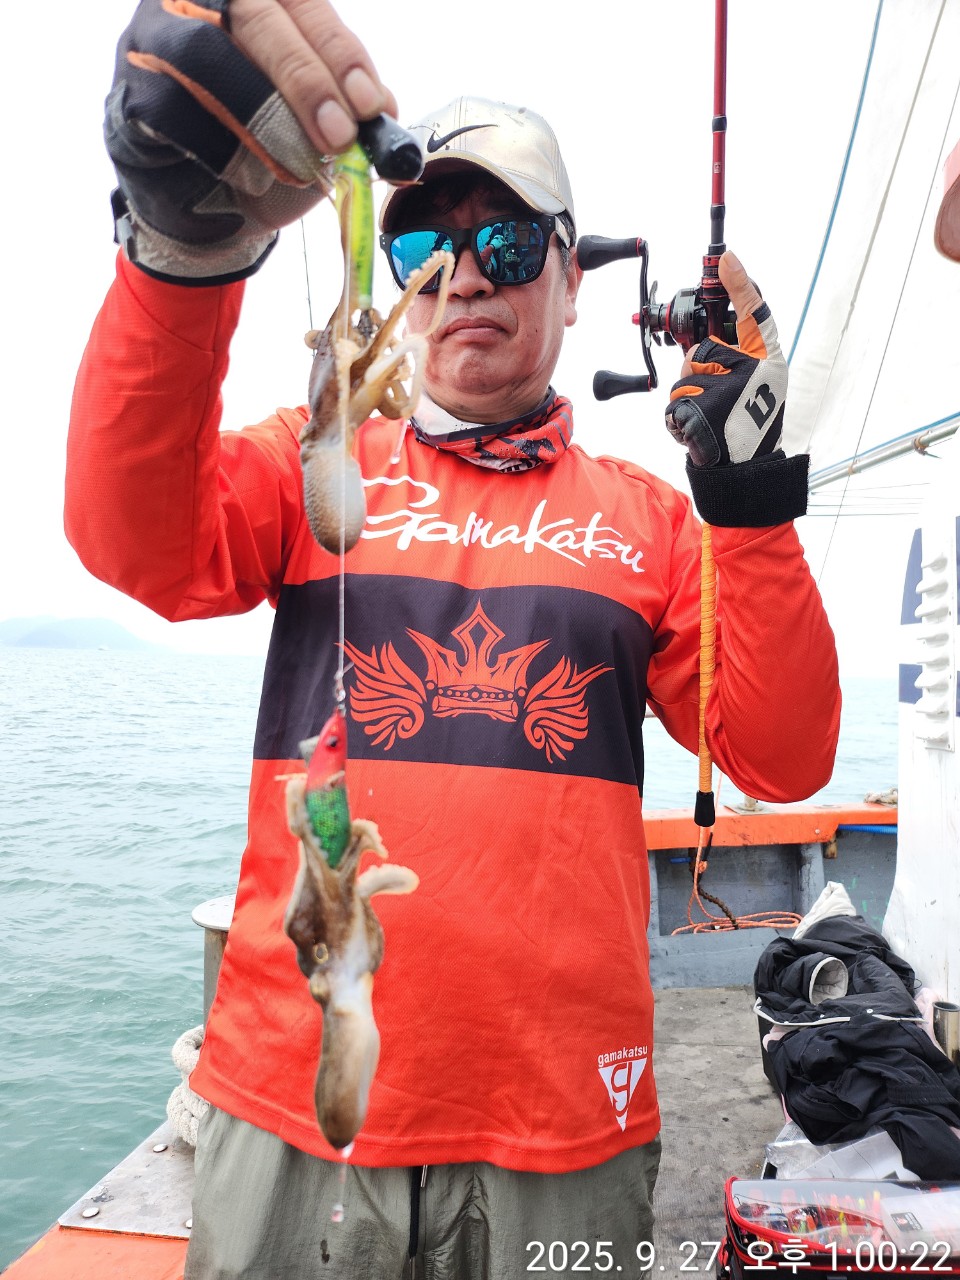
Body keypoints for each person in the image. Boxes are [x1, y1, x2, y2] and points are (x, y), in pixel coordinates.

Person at [65, 1, 841, 1276]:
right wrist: (176, 250)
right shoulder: (315, 467)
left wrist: (750, 502)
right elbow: (131, 540)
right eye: (427, 239)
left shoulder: (652, 519)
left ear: (574, 279)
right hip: (293, 1100)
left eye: (509, 239)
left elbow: (784, 753)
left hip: (565, 1122)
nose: (465, 272)